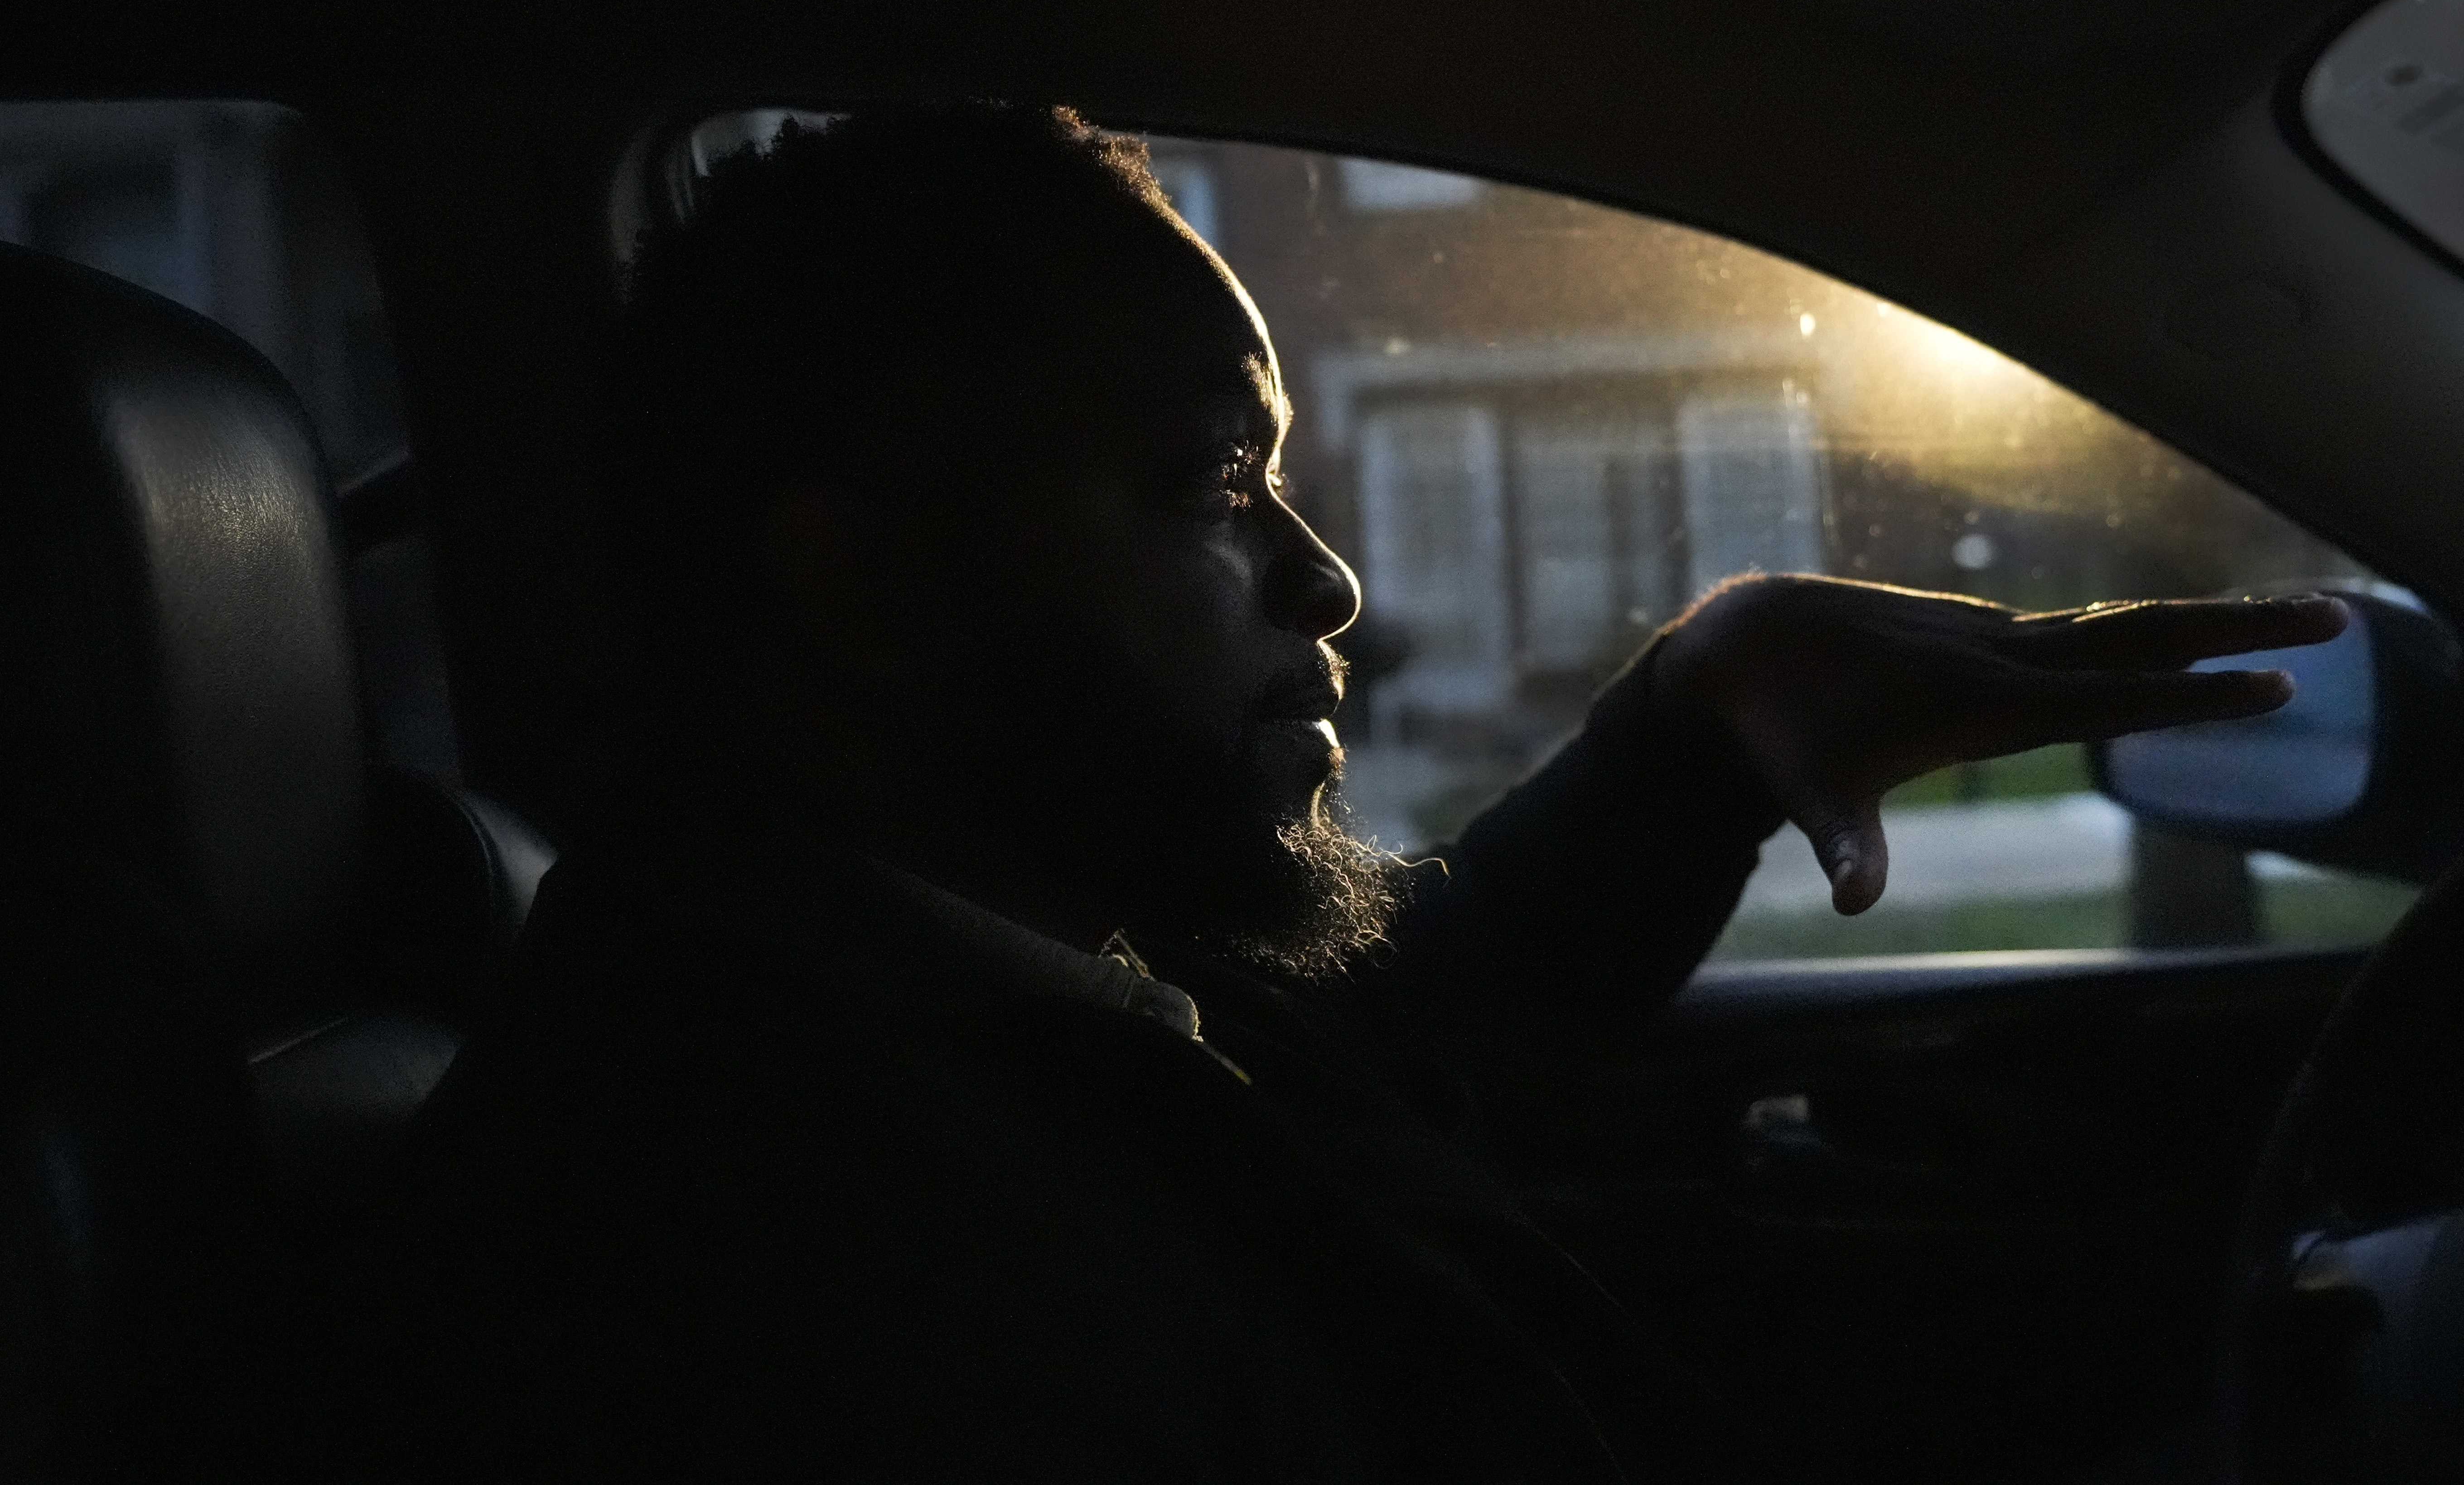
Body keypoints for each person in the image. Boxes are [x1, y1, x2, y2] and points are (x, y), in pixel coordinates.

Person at [347, 103, 2344, 1481]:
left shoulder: (984, 958)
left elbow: (1397, 1026)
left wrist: (1699, 724)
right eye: (1214, 488)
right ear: (862, 576)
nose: (1327, 579)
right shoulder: (785, 1277)